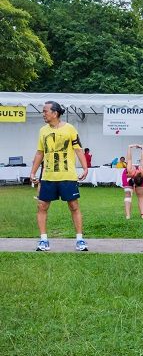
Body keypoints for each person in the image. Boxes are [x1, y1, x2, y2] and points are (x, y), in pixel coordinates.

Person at [29, 101, 89, 251]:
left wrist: (85, 168)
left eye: (45, 111)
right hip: (48, 176)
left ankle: (80, 240)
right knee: (42, 206)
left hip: (67, 175)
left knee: (74, 206)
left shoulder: (70, 129)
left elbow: (78, 149)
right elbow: (39, 152)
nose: (43, 114)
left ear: (55, 113)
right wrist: (32, 172)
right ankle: (43, 240)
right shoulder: (43, 131)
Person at [122, 144, 143, 219]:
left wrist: (129, 147)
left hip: (132, 174)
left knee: (140, 195)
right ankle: (128, 215)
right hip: (127, 176)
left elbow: (129, 159)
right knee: (128, 194)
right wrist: (142, 149)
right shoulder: (133, 171)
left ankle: (142, 214)